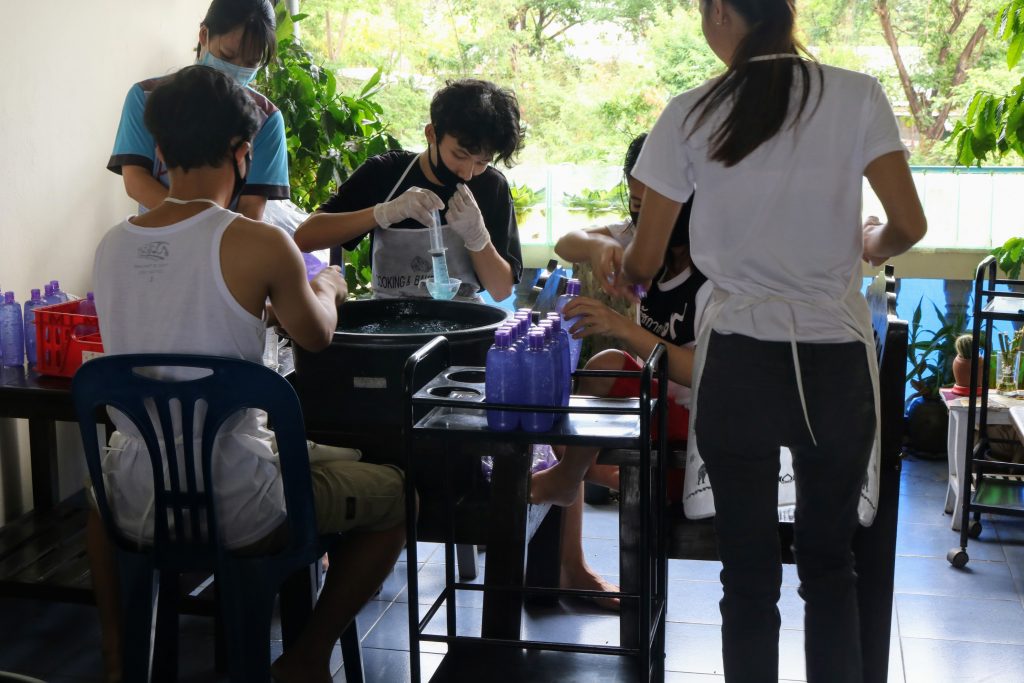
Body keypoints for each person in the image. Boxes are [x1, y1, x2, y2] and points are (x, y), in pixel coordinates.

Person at [623, 1, 927, 681]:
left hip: (738, 362)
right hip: (836, 364)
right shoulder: (858, 94)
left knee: (749, 575)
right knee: (829, 566)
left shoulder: (690, 110)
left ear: (723, 12)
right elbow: (908, 223)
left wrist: (626, 268)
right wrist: (868, 243)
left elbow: (643, 264)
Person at [88, 65, 406, 683]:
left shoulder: (109, 246)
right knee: (397, 494)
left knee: (104, 494)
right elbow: (315, 334)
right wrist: (329, 285)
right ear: (243, 154)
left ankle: (116, 659)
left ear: (157, 153)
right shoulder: (258, 243)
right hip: (238, 507)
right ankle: (307, 658)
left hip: (134, 500)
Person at [293, 79, 523, 302]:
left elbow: (501, 291)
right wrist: (383, 213)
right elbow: (305, 238)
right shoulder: (385, 173)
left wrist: (478, 238)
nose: (468, 173)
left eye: (482, 162)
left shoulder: (492, 187)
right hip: (388, 325)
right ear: (432, 134)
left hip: (465, 323)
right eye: (459, 155)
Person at [107, 0, 288, 221]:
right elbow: (136, 180)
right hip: (160, 241)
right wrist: (197, 228)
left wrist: (209, 236)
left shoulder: (267, 119)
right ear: (204, 35)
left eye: (251, 62)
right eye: (228, 55)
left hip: (227, 249)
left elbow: (251, 209)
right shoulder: (145, 97)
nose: (237, 69)